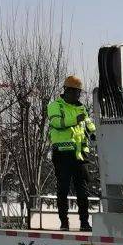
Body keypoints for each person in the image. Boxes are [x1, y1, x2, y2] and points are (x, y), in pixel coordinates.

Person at [47, 74, 96, 231]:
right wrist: (76, 120)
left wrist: (95, 132)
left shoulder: (81, 107)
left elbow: (88, 124)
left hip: (79, 155)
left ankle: (84, 222)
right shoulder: (56, 106)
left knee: (82, 190)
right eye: (75, 92)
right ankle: (64, 222)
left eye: (79, 92)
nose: (77, 95)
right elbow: (57, 123)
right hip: (62, 154)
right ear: (67, 91)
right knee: (63, 189)